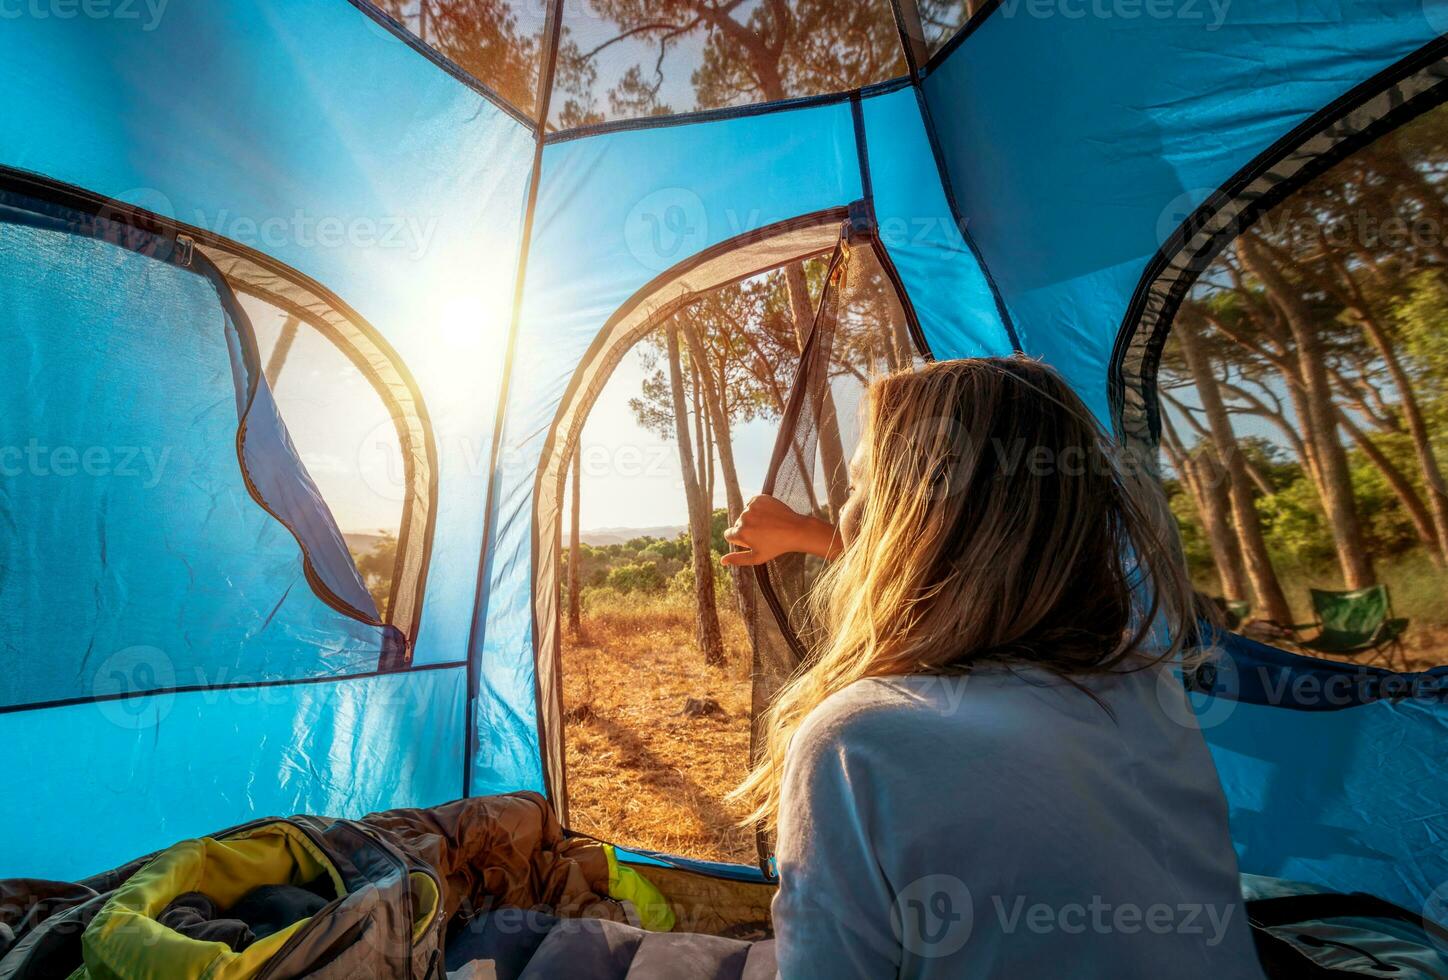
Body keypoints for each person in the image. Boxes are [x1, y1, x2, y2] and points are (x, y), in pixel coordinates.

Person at [722, 357, 1263, 979]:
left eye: (862, 488)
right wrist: (806, 535)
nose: (847, 515)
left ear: (911, 525)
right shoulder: (1142, 685)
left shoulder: (862, 740)